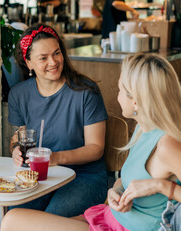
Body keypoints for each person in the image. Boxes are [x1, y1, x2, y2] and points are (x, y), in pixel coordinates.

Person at [1, 53, 181, 231]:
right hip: (111, 220)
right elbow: (132, 178)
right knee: (16, 223)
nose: (117, 95)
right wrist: (117, 191)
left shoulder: (169, 146)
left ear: (136, 101)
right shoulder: (144, 130)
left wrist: (162, 186)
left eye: (121, 89)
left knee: (13, 224)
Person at [8, 24, 108, 218]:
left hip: (84, 177)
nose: (53, 62)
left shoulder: (86, 91)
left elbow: (96, 148)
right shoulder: (18, 95)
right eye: (43, 58)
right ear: (29, 63)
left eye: (56, 53)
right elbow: (19, 136)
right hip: (39, 177)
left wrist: (56, 158)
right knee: (16, 216)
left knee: (52, 218)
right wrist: (15, 151)